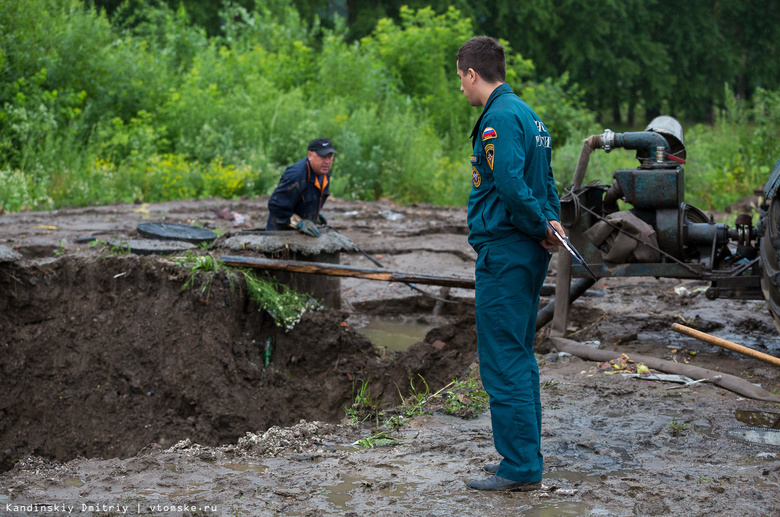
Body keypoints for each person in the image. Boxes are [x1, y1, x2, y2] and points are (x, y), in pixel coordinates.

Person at [456, 36, 565, 492]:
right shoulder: (529, 114)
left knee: (502, 360)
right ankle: (523, 458)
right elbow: (548, 180)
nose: (460, 88)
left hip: (506, 251)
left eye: (459, 78)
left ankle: (520, 467)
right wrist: (553, 220)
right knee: (519, 356)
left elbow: (512, 186)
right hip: (527, 250)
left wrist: (541, 225)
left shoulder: (498, 117)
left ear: (471, 74)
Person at [265, 137, 336, 237]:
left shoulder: (324, 173)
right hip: (280, 235)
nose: (327, 161)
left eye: (330, 156)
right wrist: (299, 222)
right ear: (310, 155)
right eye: (322, 156)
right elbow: (275, 206)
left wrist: (313, 214)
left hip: (303, 235)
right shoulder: (296, 175)